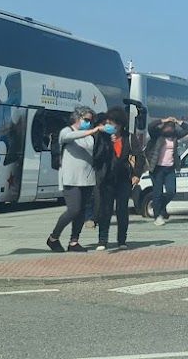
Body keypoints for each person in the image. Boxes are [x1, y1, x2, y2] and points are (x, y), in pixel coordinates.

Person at [47, 105, 100, 252]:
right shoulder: (67, 131)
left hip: (87, 178)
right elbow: (66, 138)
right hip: (71, 178)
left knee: (82, 211)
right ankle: (53, 238)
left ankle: (74, 241)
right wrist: (92, 130)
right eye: (86, 119)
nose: (89, 123)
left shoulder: (89, 136)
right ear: (77, 118)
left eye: (91, 121)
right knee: (73, 209)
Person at [93, 108, 141, 250]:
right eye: (108, 122)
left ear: (120, 124)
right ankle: (102, 240)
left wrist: (136, 174)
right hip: (106, 178)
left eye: (112, 123)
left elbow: (139, 156)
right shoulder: (102, 137)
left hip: (123, 178)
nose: (110, 125)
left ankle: (122, 240)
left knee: (122, 210)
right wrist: (108, 143)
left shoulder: (129, 137)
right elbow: (97, 156)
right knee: (105, 210)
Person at [143, 117, 188, 226]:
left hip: (170, 168)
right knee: (157, 193)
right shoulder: (157, 135)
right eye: (167, 127)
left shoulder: (174, 136)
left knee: (171, 191)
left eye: (171, 127)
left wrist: (178, 121)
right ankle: (157, 215)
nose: (169, 129)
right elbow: (150, 126)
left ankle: (160, 207)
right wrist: (163, 120)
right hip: (157, 168)